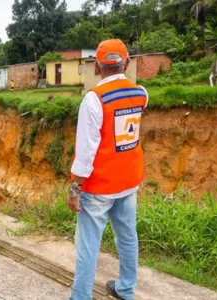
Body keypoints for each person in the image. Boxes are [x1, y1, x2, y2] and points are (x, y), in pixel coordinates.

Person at [68, 39, 149, 300]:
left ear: (96, 66)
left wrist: (74, 187)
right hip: (128, 182)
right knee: (127, 237)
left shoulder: (94, 100)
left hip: (100, 187)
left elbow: (85, 153)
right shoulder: (141, 94)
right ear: (126, 63)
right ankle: (126, 289)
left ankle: (80, 297)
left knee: (88, 245)